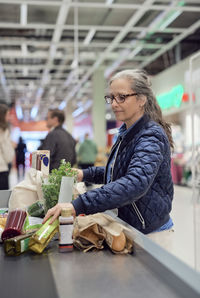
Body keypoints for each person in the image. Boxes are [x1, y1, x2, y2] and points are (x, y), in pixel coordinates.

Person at [43, 69, 174, 235]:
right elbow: (118, 173)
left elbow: (135, 182)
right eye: (111, 98)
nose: (113, 103)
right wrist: (84, 174)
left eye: (122, 97)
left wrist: (79, 204)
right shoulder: (126, 133)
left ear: (141, 99)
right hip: (132, 224)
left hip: (150, 231)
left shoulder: (150, 135)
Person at [0, 103, 15, 190]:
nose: (9, 117)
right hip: (1, 169)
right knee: (2, 201)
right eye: (8, 114)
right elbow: (8, 156)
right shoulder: (4, 131)